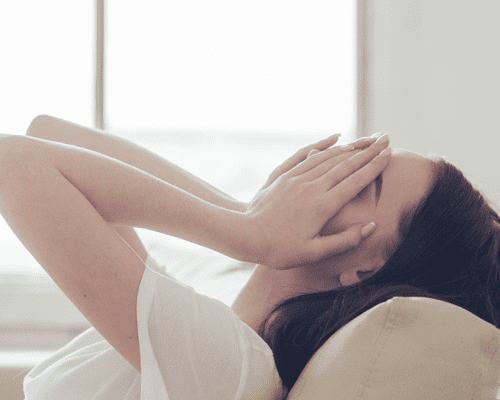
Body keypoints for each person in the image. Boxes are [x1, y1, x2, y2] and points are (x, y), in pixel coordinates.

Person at [1, 115, 497, 399]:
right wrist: (244, 214)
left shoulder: (231, 368)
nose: (331, 164)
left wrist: (244, 230)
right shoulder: (215, 298)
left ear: (362, 271)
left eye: (361, 182)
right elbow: (49, 132)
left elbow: (14, 163)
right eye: (357, 155)